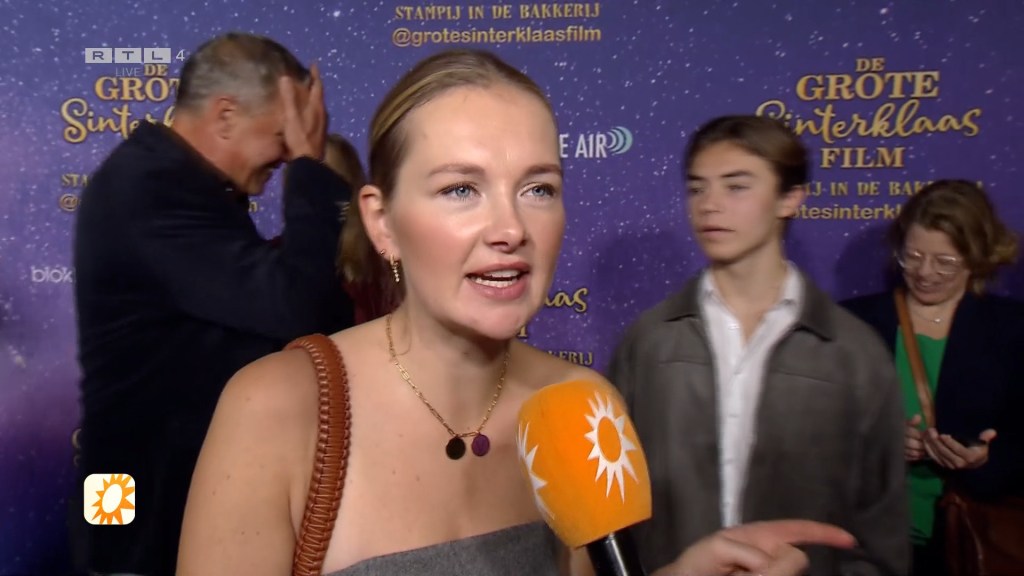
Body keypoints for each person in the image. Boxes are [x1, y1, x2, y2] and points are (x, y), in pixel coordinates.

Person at [177, 51, 856, 576]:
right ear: (382, 223)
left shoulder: (585, 405)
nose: (510, 228)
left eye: (538, 188)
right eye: (461, 189)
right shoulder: (277, 410)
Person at [72, 33, 354, 575]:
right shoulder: (149, 189)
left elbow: (316, 321)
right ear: (225, 116)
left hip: (147, 494)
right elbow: (297, 309)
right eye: (284, 135)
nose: (288, 154)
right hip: (134, 509)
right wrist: (311, 167)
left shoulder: (178, 185)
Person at [608, 115, 909, 576]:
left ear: (790, 197)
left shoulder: (852, 352)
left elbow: (881, 532)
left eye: (736, 186)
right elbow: (610, 509)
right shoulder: (649, 341)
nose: (709, 205)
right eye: (697, 188)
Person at [841, 179, 1023, 576]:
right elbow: (811, 429)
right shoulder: (853, 322)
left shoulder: (1012, 330)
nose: (924, 273)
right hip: (863, 542)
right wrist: (878, 443)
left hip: (963, 541)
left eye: (945, 262)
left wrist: (985, 460)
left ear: (977, 257)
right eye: (912, 256)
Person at [320, 133, 400, 323]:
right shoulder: (279, 261)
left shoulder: (382, 254)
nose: (315, 190)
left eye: (325, 178)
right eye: (304, 180)